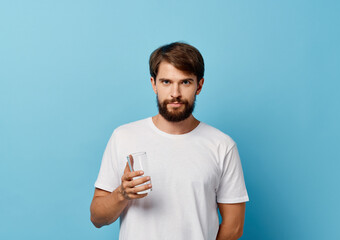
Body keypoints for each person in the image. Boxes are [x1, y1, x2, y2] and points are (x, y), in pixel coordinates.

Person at [90, 42, 249, 240]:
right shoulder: (124, 137)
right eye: (166, 82)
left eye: (185, 82)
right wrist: (121, 194)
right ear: (153, 84)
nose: (175, 93)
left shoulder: (222, 145)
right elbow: (97, 218)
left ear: (199, 86)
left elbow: (234, 227)